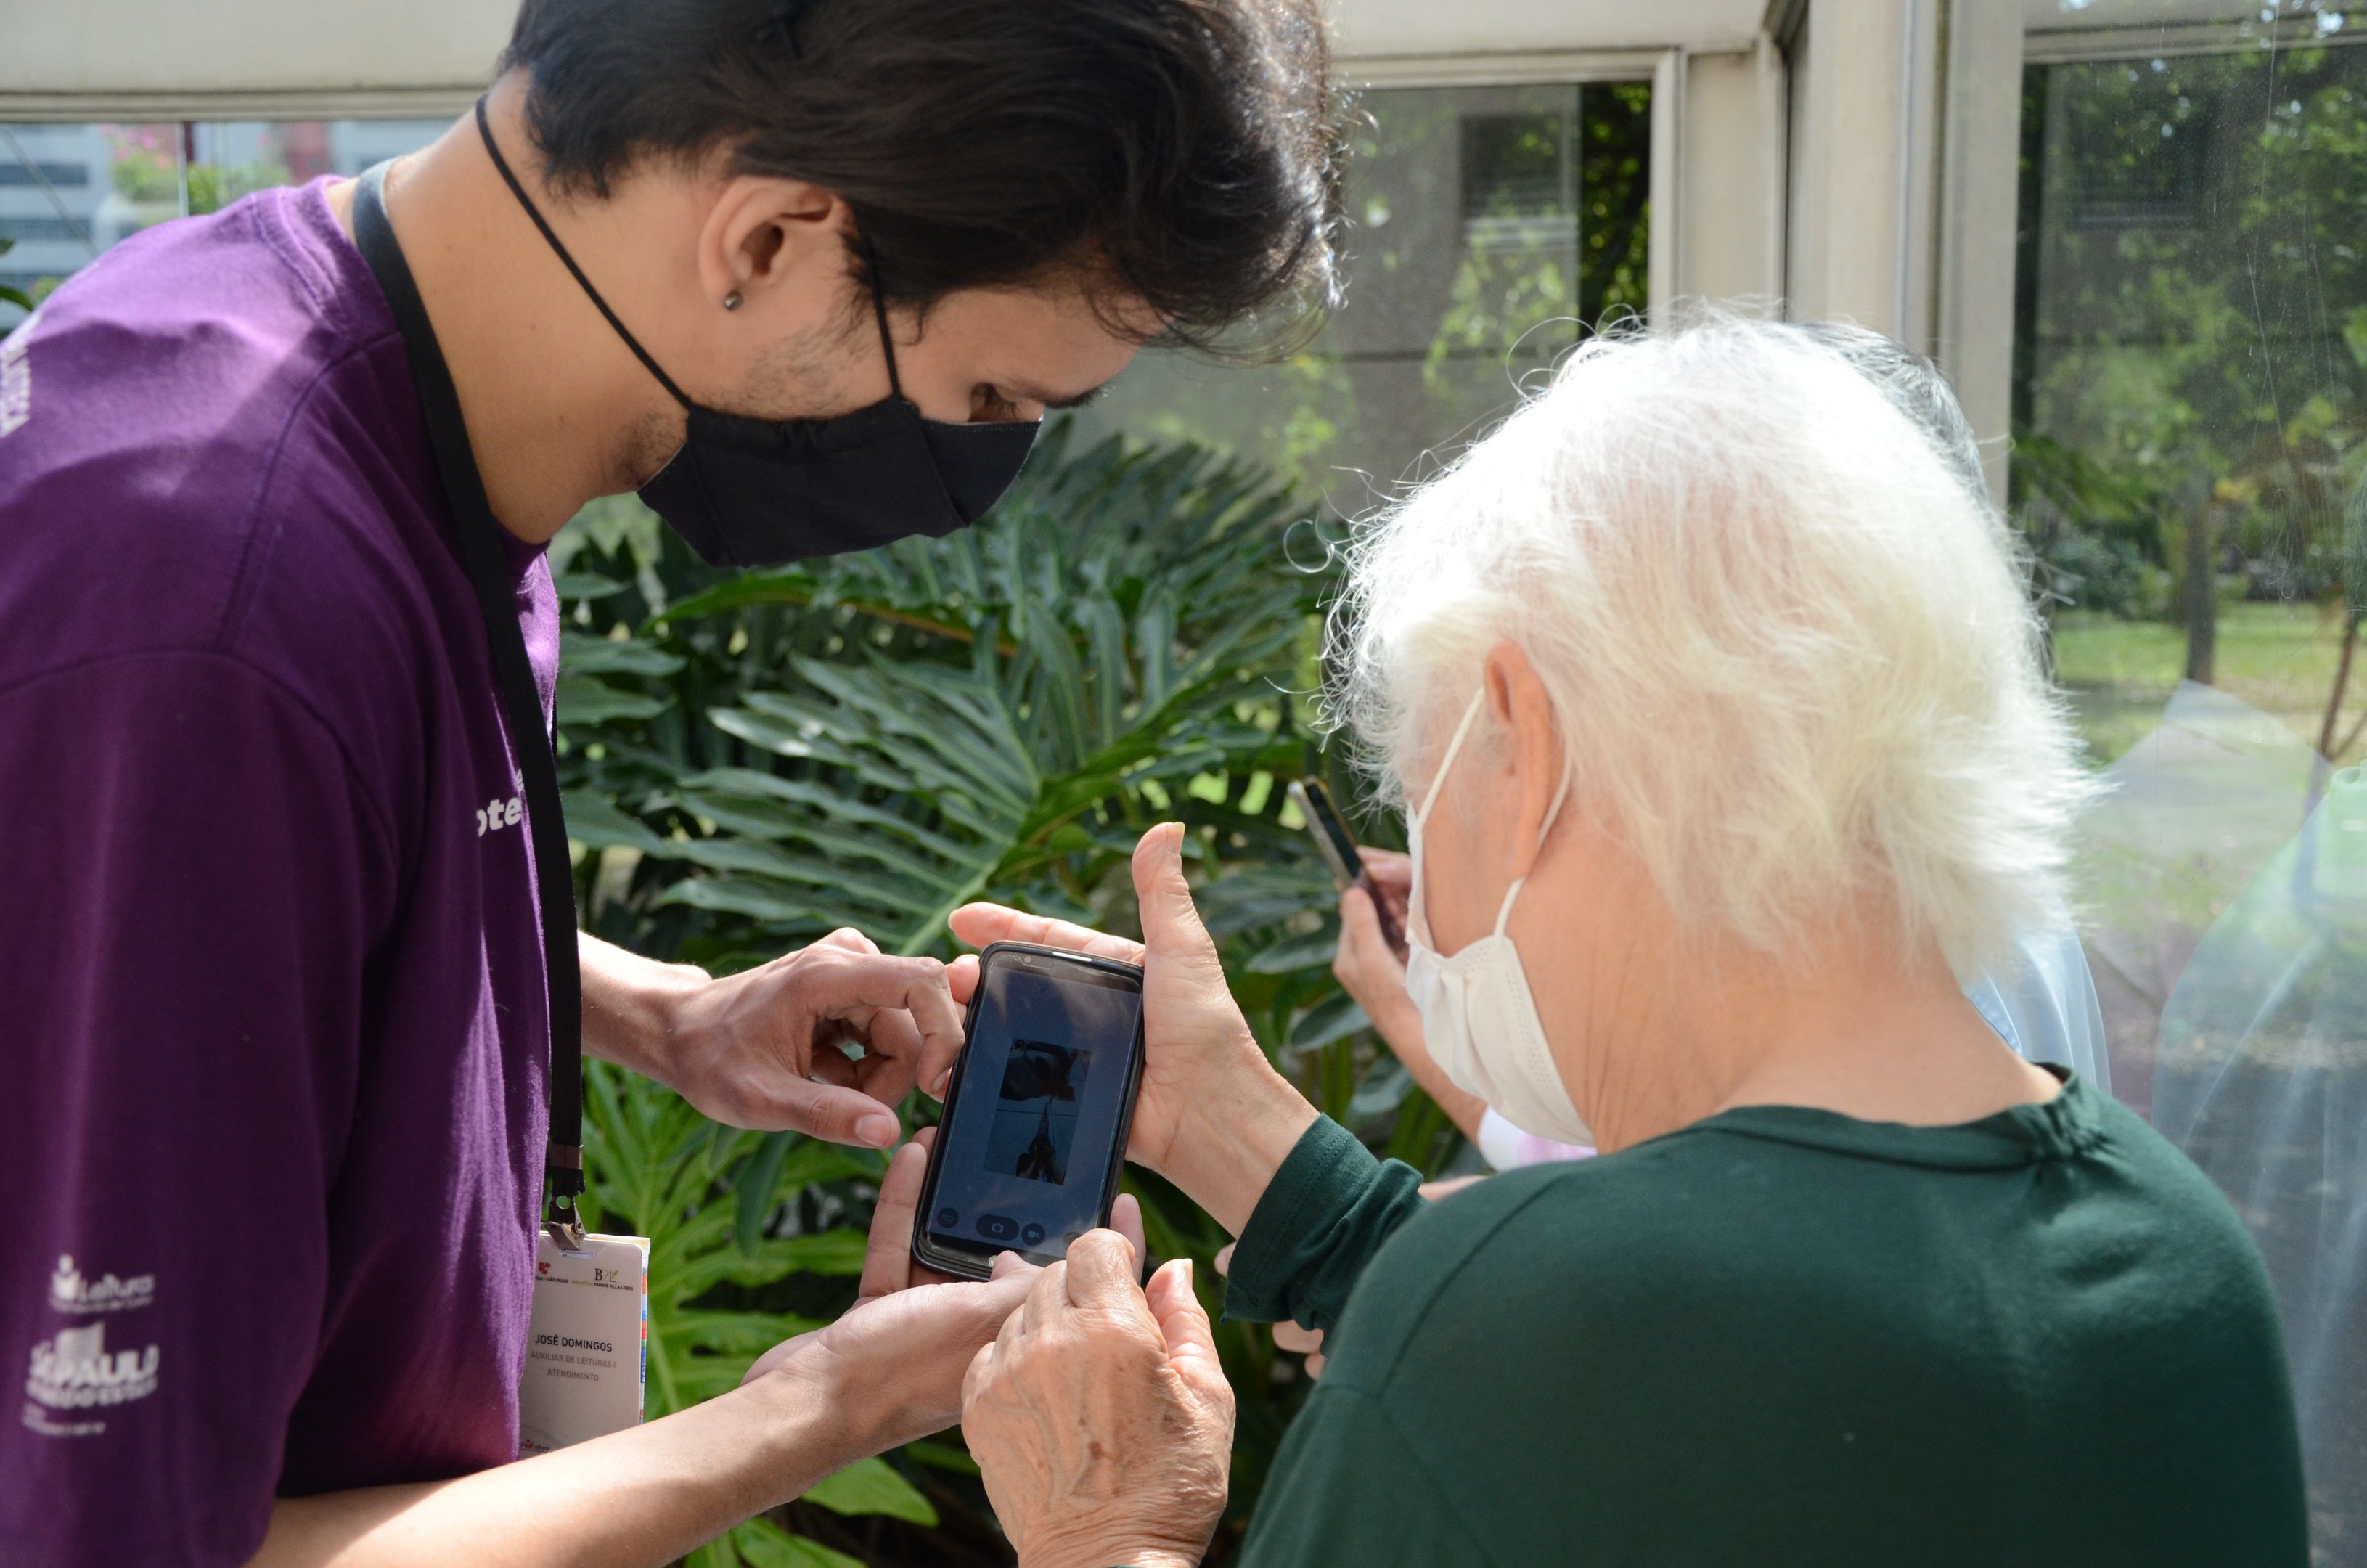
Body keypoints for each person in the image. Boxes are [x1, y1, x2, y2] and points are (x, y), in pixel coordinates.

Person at [0, 1, 1337, 1563]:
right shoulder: (217, 614)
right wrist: (811, 1412)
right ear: (768, 241)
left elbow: (206, 921)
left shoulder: (352, 370)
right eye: (985, 403)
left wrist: (651, 1012)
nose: (975, 475)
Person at [940, 318, 2310, 1567]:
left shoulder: (1539, 1313)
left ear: (1520, 744)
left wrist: (1108, 1533)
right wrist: (1227, 1124)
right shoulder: (2184, 1261)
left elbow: (1596, 1341)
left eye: (1421, 787)